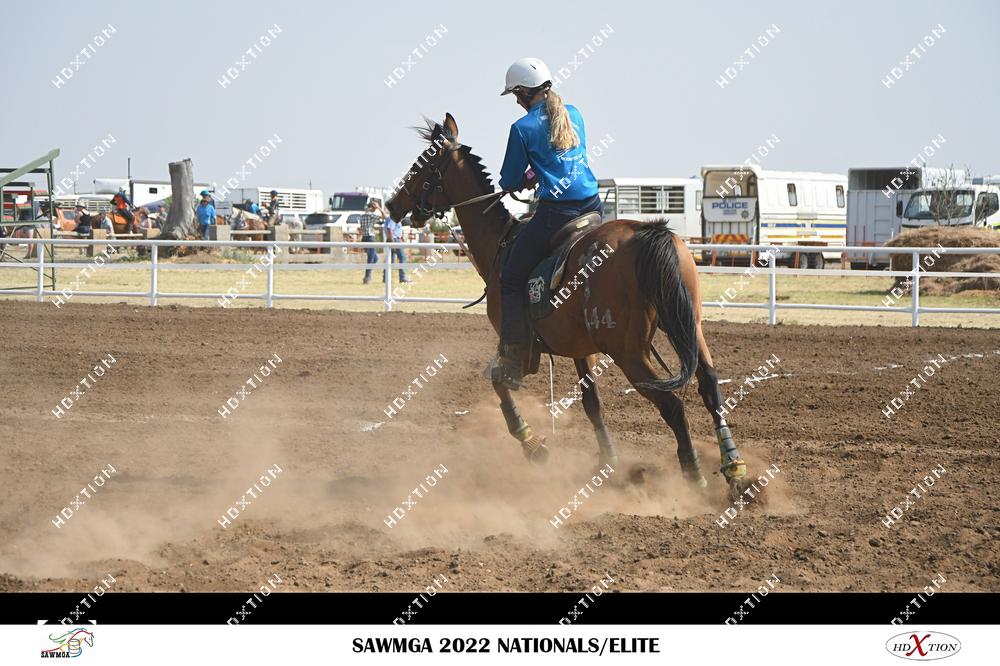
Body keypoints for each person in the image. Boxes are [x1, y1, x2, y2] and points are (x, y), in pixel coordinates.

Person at [493, 57, 601, 389]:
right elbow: (565, 159)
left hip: (557, 214)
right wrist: (536, 173)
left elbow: (509, 179)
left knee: (510, 278)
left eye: (516, 94)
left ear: (525, 92)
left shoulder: (522, 128)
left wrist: (524, 178)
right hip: (592, 206)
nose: (516, 101)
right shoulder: (575, 113)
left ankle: (514, 361)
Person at [383, 212, 410, 283]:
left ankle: (385, 277)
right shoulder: (394, 218)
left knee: (390, 259)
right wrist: (393, 243)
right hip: (394, 240)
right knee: (402, 257)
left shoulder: (392, 218)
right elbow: (390, 229)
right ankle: (403, 277)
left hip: (394, 239)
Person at [358, 201, 381, 284]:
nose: (375, 210)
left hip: (364, 238)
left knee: (374, 258)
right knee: (371, 259)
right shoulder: (371, 215)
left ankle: (368, 274)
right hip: (370, 238)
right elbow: (385, 217)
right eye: (374, 208)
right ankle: (367, 277)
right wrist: (379, 208)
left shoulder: (363, 216)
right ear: (372, 208)